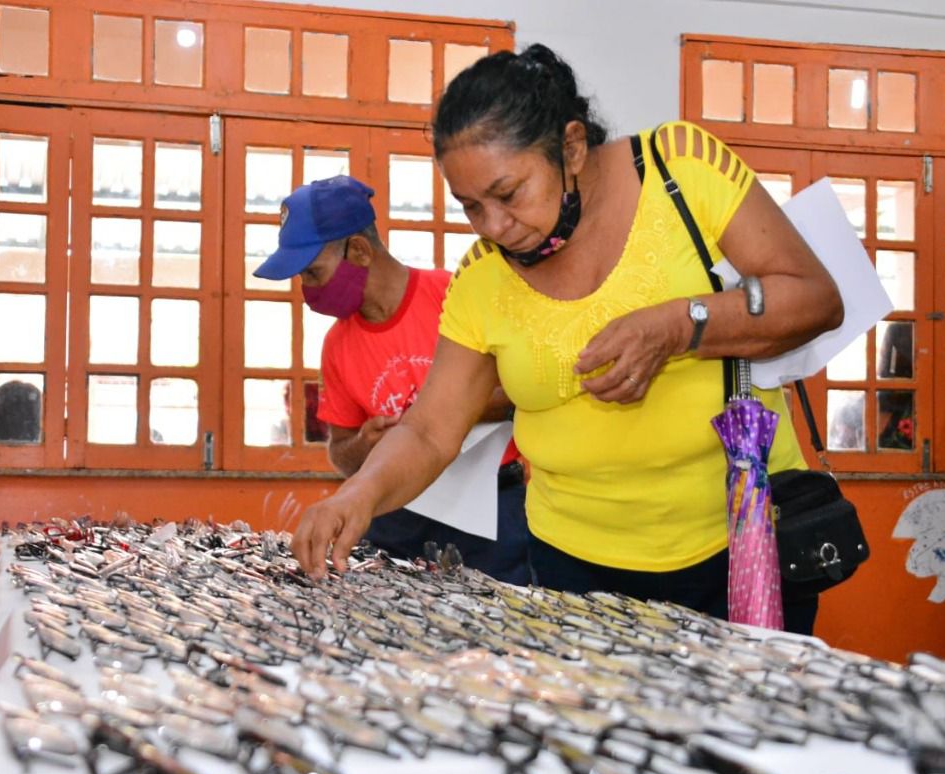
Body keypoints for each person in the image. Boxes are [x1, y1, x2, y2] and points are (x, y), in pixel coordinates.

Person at [292, 45, 841, 634]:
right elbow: (429, 431)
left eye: (508, 194)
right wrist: (360, 494)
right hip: (573, 571)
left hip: (738, 544)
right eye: (471, 206)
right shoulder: (482, 278)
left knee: (742, 723)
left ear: (571, 147)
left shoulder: (679, 167)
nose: (494, 225)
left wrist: (681, 324)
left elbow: (814, 297)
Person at [254, 175, 531, 585]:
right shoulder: (337, 346)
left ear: (360, 251)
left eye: (312, 273)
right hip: (396, 517)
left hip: (491, 512)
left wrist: (436, 415)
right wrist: (365, 443)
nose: (306, 291)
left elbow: (524, 390)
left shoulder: (455, 295)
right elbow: (342, 453)